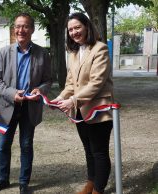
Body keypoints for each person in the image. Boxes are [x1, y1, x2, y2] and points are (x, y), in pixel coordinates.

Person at [0, 13, 52, 194]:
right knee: (3, 145)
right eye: (17, 26)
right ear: (14, 29)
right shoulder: (3, 52)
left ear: (32, 29)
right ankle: (3, 179)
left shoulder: (42, 53)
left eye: (25, 26)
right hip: (8, 106)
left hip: (30, 107)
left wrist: (41, 90)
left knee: (26, 145)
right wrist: (12, 94)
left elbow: (48, 80)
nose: (21, 30)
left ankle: (24, 183)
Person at [51, 12, 114, 194]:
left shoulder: (100, 49)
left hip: (98, 110)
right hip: (79, 111)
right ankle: (90, 183)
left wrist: (72, 100)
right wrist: (60, 98)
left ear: (87, 27)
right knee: (88, 150)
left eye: (77, 27)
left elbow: (96, 82)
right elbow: (71, 83)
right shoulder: (74, 53)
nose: (74, 32)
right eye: (70, 29)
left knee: (99, 152)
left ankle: (98, 189)